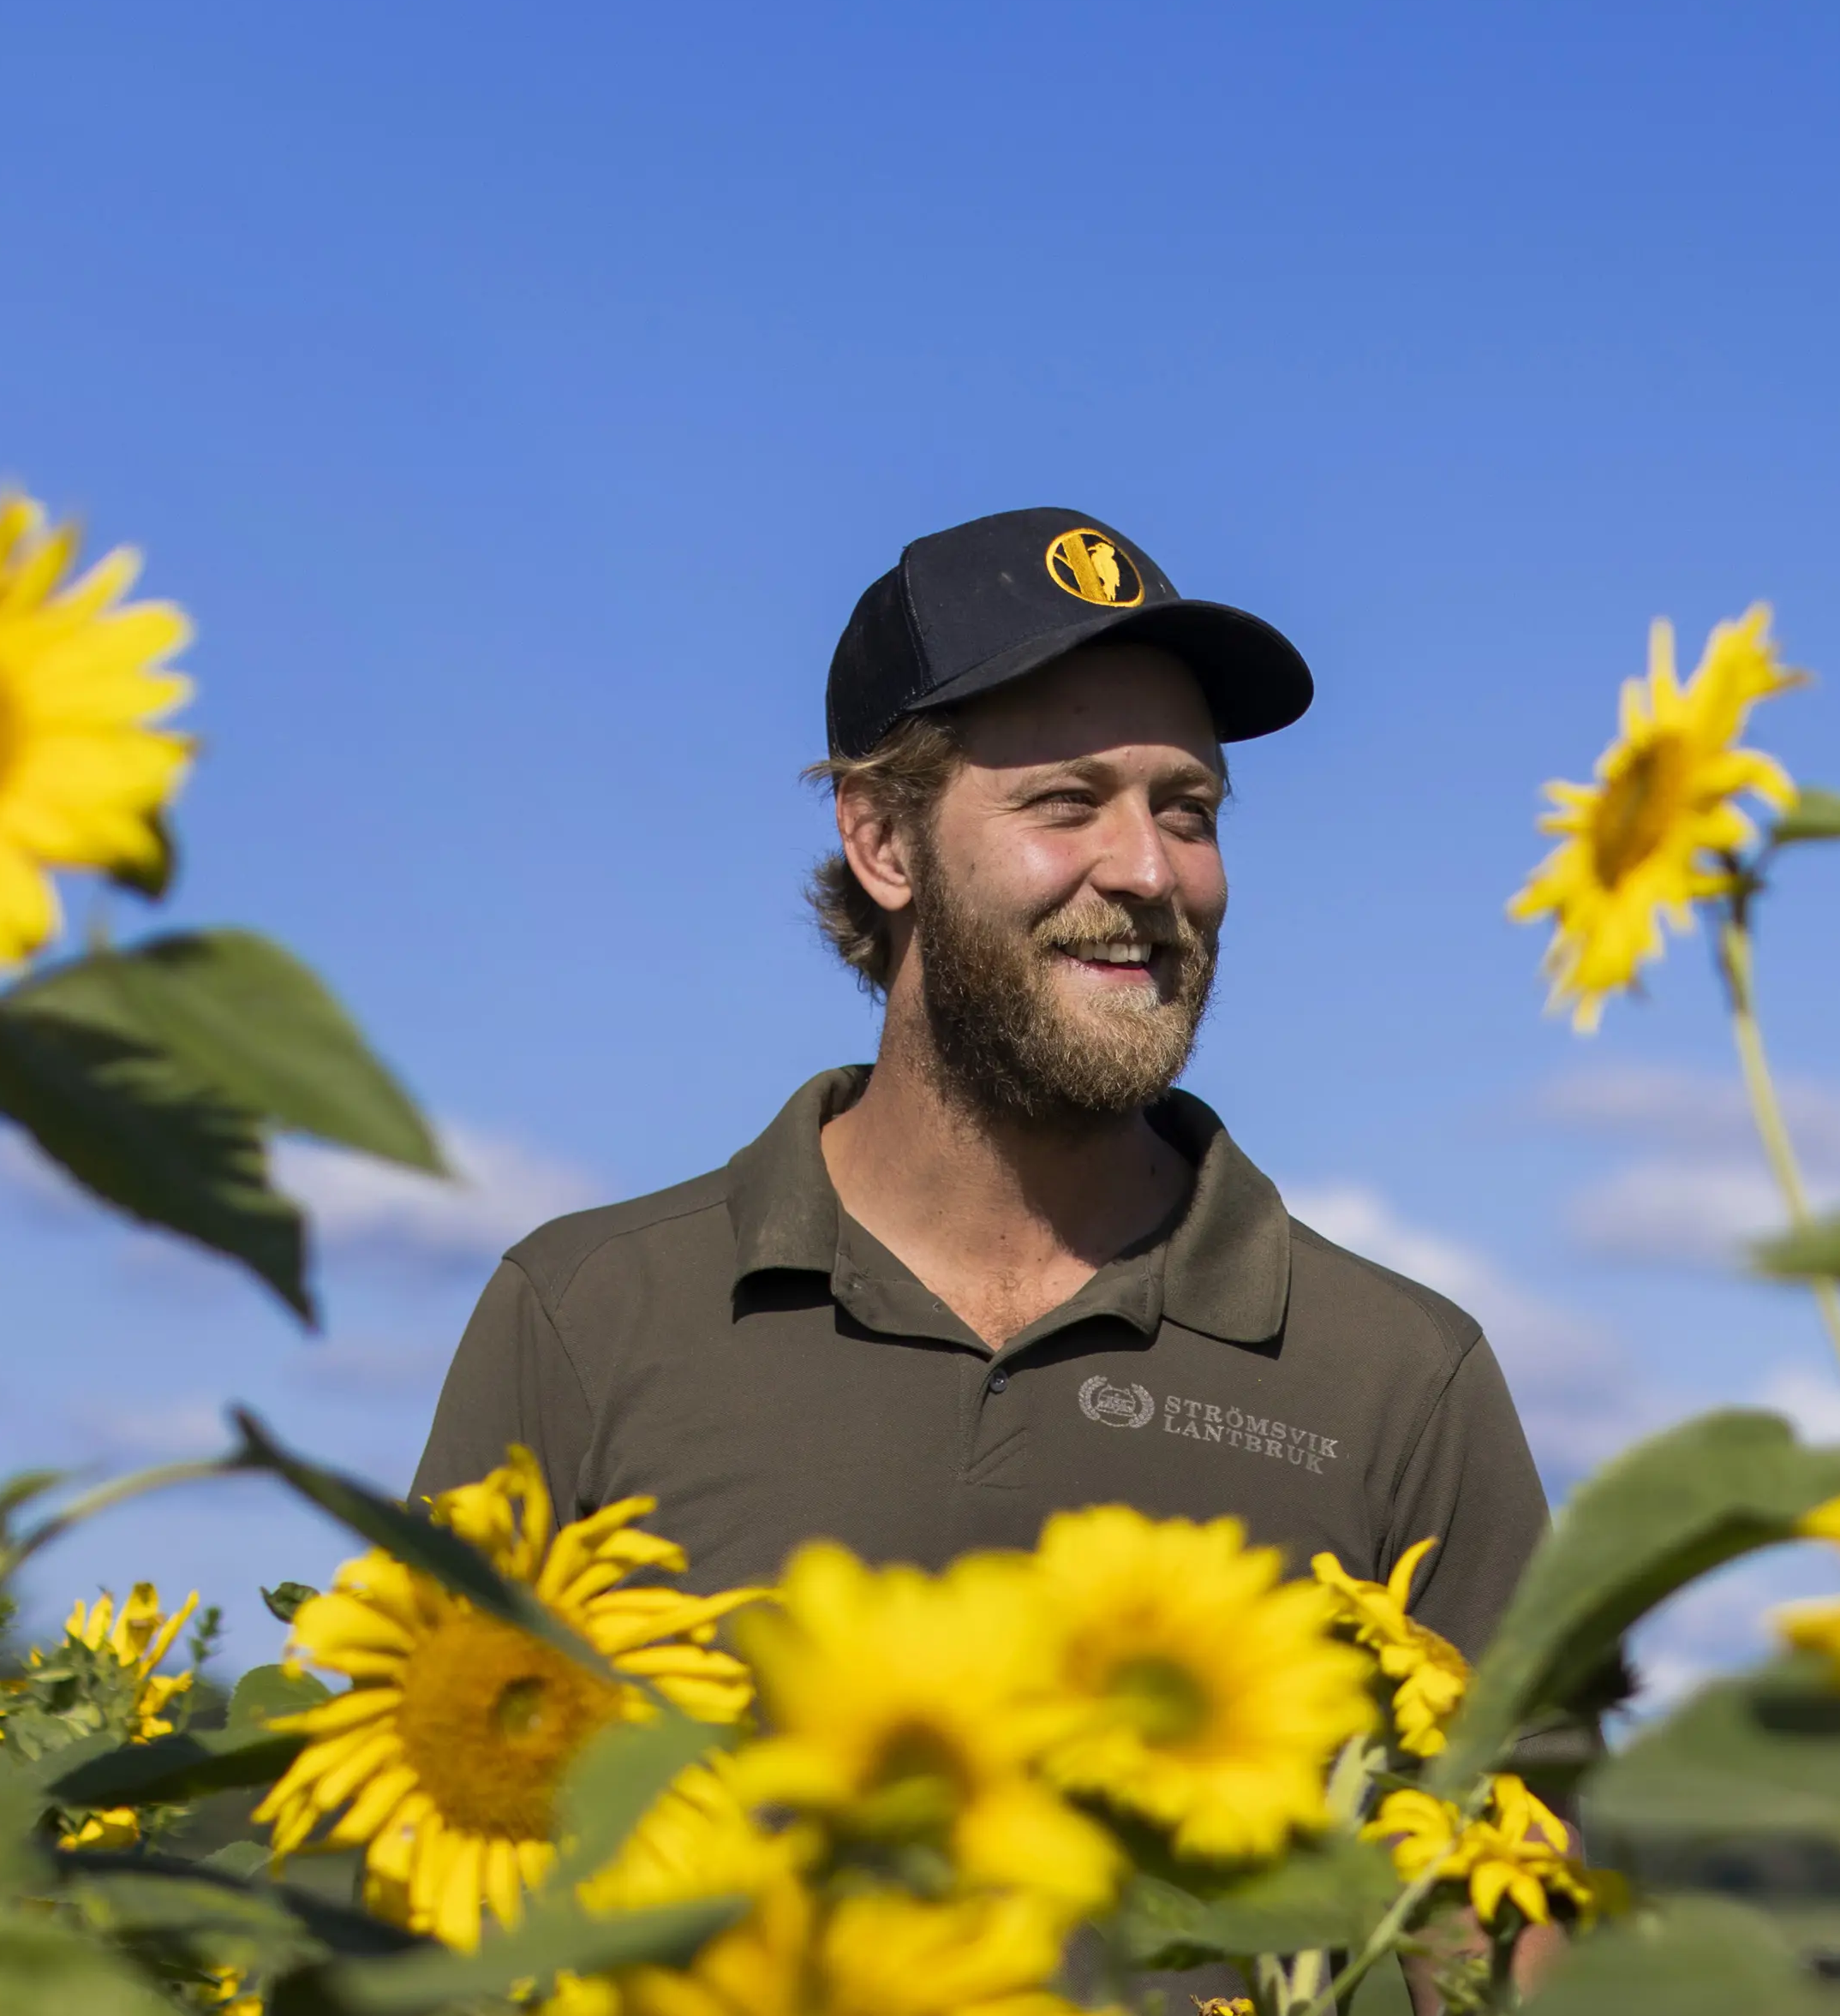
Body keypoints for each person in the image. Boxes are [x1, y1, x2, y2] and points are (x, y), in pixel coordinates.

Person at [414, 503, 1550, 1643]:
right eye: (1068, 803)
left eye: (1188, 812)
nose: (1151, 870)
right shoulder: (588, 1317)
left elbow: (1525, 1766)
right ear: (883, 844)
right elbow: (420, 1734)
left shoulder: (1400, 1380)